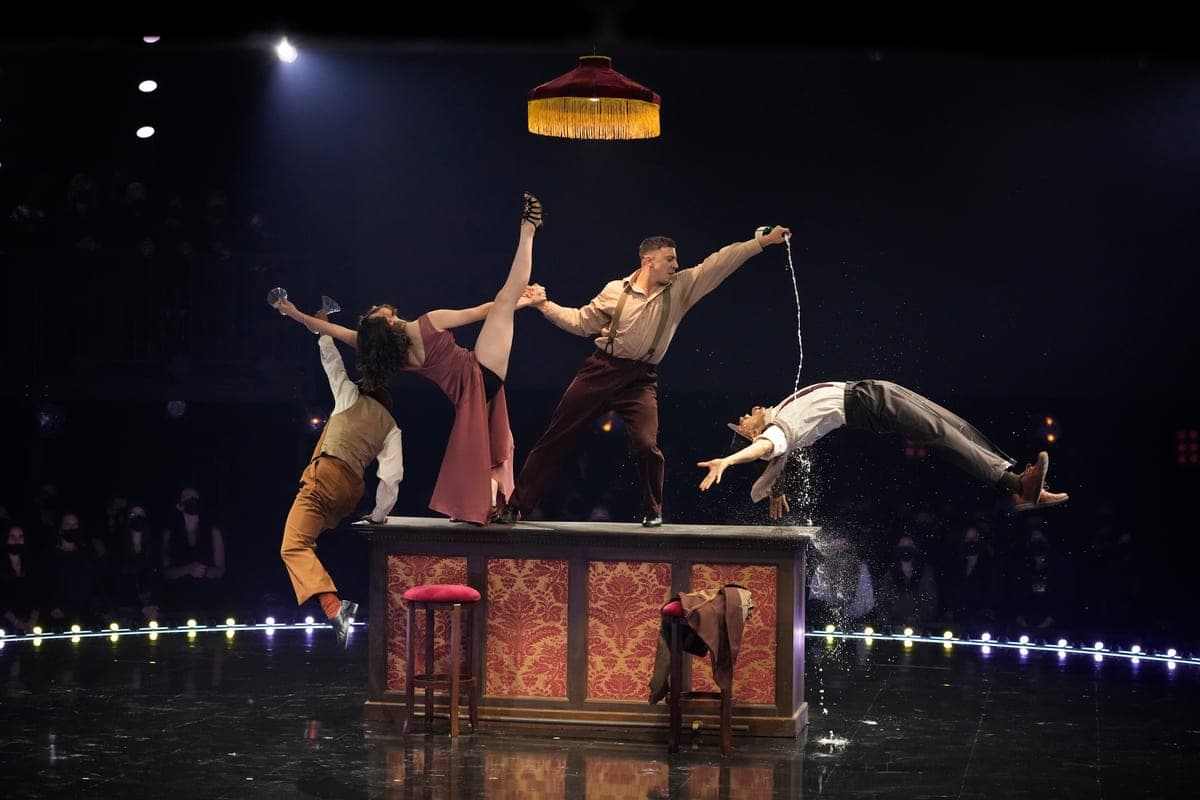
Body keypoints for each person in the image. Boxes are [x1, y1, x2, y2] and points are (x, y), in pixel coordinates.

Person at [494, 223, 793, 527]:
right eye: (670, 259)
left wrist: (761, 242)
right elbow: (582, 322)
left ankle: (653, 510)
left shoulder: (680, 287)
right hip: (601, 370)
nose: (676, 265)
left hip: (640, 379)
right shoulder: (615, 290)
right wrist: (545, 305)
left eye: (676, 260)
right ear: (649, 260)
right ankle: (516, 507)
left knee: (646, 445)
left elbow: (719, 262)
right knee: (556, 437)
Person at [277, 191, 544, 527]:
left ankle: (491, 500)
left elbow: (335, 331)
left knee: (490, 447)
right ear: (388, 321)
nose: (376, 307)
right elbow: (485, 310)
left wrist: (295, 314)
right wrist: (523, 302)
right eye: (376, 312)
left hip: (471, 394)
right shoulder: (428, 323)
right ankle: (528, 231)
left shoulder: (397, 354)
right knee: (504, 298)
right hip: (480, 375)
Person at [697, 380, 1069, 519]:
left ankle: (1018, 480)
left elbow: (776, 457)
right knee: (942, 434)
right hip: (871, 404)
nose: (744, 415)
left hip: (871, 394)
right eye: (742, 423)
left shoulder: (778, 420)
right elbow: (767, 448)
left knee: (950, 424)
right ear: (752, 434)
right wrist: (728, 461)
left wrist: (776, 487)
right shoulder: (777, 431)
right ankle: (1016, 486)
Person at [273, 305, 405, 648]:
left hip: (327, 478)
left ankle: (334, 607)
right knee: (307, 538)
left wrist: (323, 329)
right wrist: (378, 516)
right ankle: (332, 605)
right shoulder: (391, 426)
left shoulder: (350, 396)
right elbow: (391, 478)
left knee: (293, 545)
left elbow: (332, 363)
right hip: (349, 495)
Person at [161, 486, 226, 623]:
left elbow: (221, 570)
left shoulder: (213, 532)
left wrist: (204, 571)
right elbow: (166, 572)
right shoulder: (170, 534)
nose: (192, 500)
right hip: (178, 601)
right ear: (179, 505)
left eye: (195, 497)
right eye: (187, 497)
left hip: (208, 599)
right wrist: (187, 569)